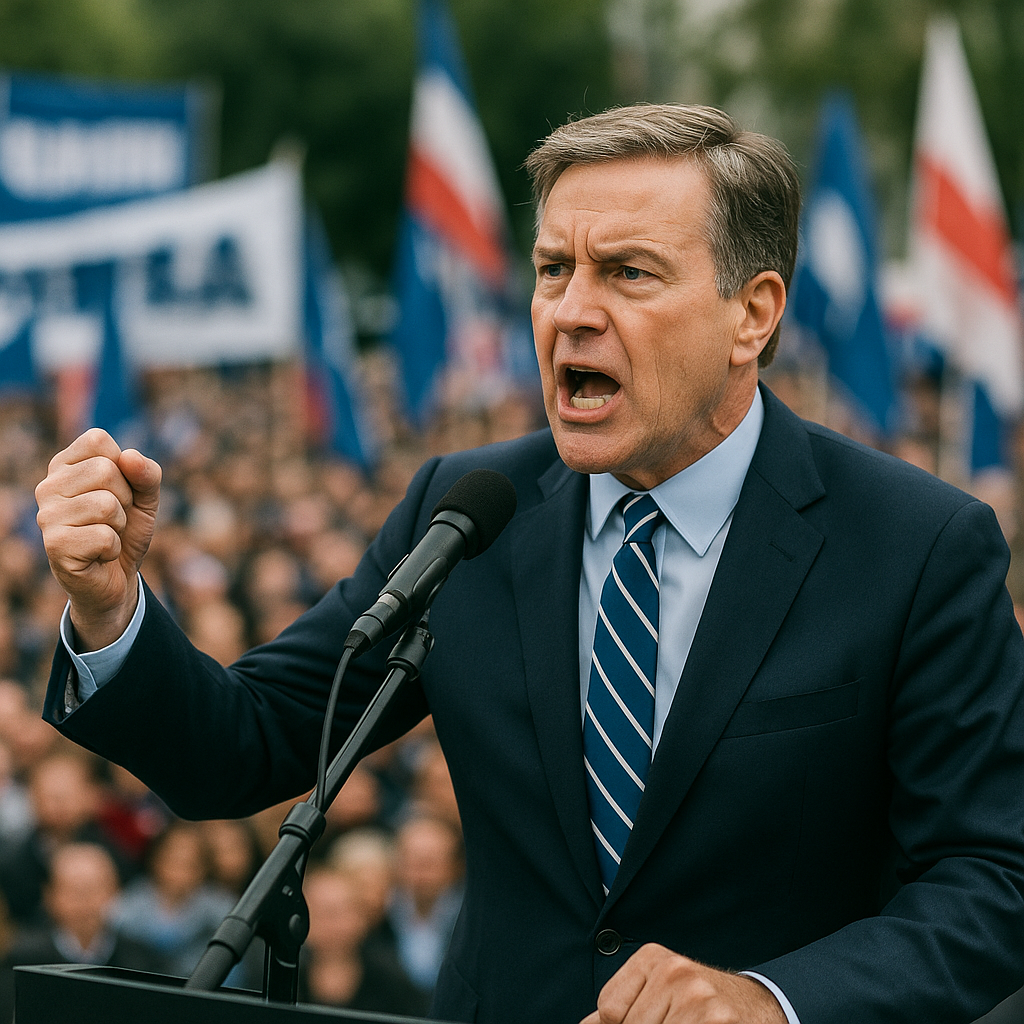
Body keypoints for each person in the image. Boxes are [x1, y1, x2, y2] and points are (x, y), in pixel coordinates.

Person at [33, 103, 1024, 1024]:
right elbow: (241, 743)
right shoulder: (466, 513)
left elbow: (993, 877)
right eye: (554, 269)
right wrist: (110, 608)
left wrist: (771, 998)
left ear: (751, 314)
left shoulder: (916, 545)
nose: (569, 312)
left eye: (628, 272)